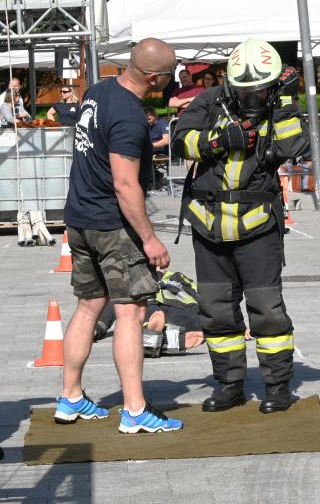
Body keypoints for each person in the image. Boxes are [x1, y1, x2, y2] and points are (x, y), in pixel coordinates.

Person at [55, 37, 183, 433]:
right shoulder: (129, 115)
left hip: (79, 218)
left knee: (89, 306)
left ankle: (71, 398)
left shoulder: (99, 90)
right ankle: (134, 410)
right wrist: (149, 238)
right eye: (169, 74)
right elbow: (126, 185)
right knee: (130, 313)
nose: (170, 81)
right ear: (154, 76)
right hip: (114, 226)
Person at [174, 38, 309, 413]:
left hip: (257, 226)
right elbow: (181, 140)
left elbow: (293, 147)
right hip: (209, 225)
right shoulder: (210, 101)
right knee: (216, 309)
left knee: (266, 308)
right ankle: (229, 383)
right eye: (245, 89)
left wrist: (282, 104)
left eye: (260, 89)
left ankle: (278, 385)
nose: (252, 96)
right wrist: (217, 140)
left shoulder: (280, 106)